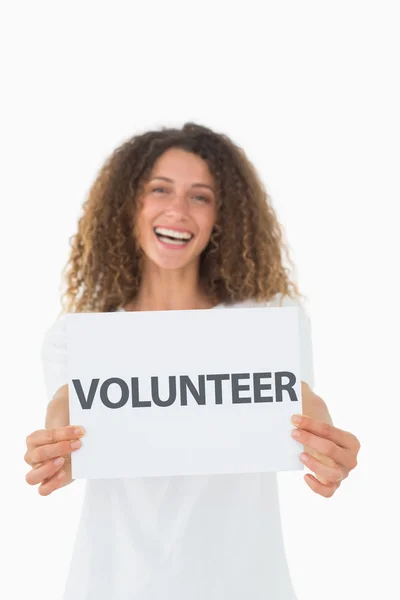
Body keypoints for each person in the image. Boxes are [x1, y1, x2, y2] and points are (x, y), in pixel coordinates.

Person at [24, 122, 360, 599]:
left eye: (200, 196)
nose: (177, 211)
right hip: (114, 584)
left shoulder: (268, 320)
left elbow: (308, 415)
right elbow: (63, 415)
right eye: (160, 190)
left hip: (245, 585)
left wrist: (329, 456)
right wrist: (53, 450)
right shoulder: (81, 336)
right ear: (129, 204)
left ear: (222, 216)